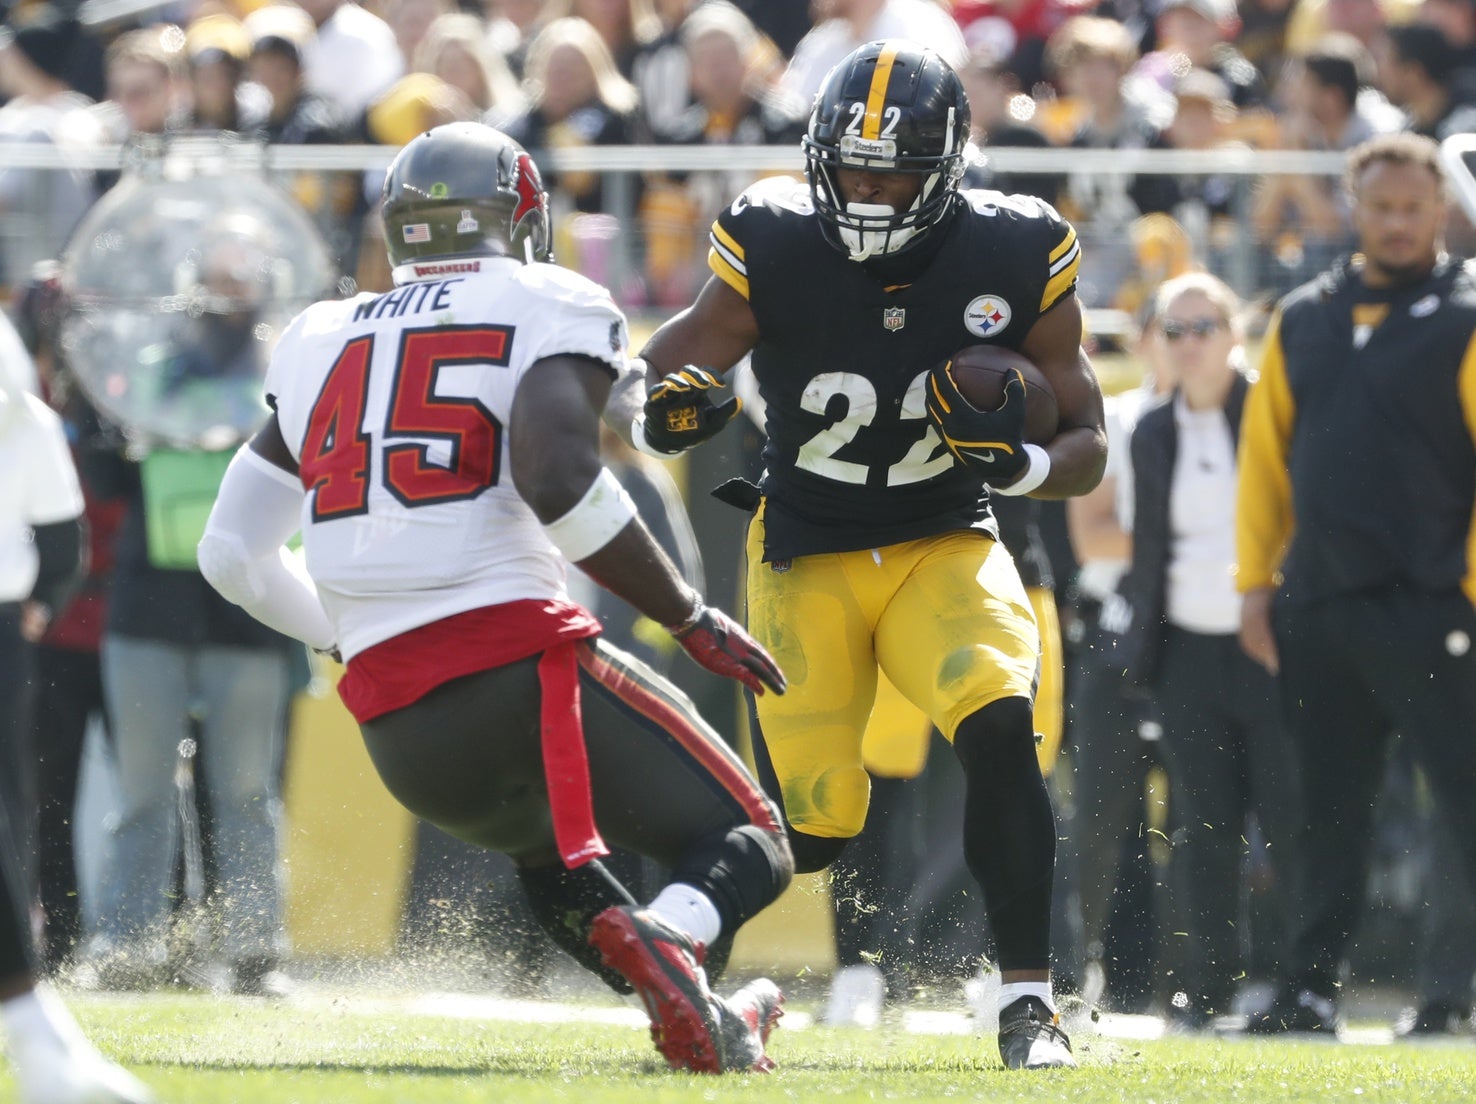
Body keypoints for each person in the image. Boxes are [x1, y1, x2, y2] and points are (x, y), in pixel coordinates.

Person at [197, 121, 795, 1074]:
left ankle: (705, 1017)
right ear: (522, 220)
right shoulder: (548, 298)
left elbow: (231, 553)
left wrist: (349, 639)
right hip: (517, 667)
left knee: (558, 868)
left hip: (398, 729)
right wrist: (688, 614)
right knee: (749, 835)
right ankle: (677, 943)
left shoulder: (320, 333)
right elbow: (562, 480)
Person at [627, 40, 1107, 1068]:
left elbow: (1088, 444)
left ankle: (1030, 1008)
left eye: (892, 173)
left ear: (947, 168)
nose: (867, 190)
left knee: (1000, 721)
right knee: (815, 826)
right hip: (807, 547)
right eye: (850, 168)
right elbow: (652, 378)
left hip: (944, 536)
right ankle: (677, 939)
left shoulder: (1017, 247)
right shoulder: (772, 236)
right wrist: (665, 412)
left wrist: (1019, 462)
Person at [1237, 132, 1476, 1034]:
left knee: (1464, 810)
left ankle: (1452, 998)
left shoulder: (1468, 313)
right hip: (1319, 605)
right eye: (1382, 206)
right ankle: (1305, 991)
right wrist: (1255, 584)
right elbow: (1265, 463)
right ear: (1353, 206)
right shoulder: (1303, 316)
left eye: (1414, 207)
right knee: (1320, 814)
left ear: (1441, 209)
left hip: (1437, 604)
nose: (1399, 223)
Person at [1119, 273, 1302, 1030]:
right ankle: (1209, 988)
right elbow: (1150, 551)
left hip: (1271, 646)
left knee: (1290, 818)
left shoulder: (1270, 410)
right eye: (1175, 330)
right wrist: (1142, 652)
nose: (1189, 344)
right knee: (1203, 828)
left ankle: (1295, 984)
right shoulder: (1151, 430)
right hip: (1186, 651)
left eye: (1204, 328)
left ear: (1235, 333)